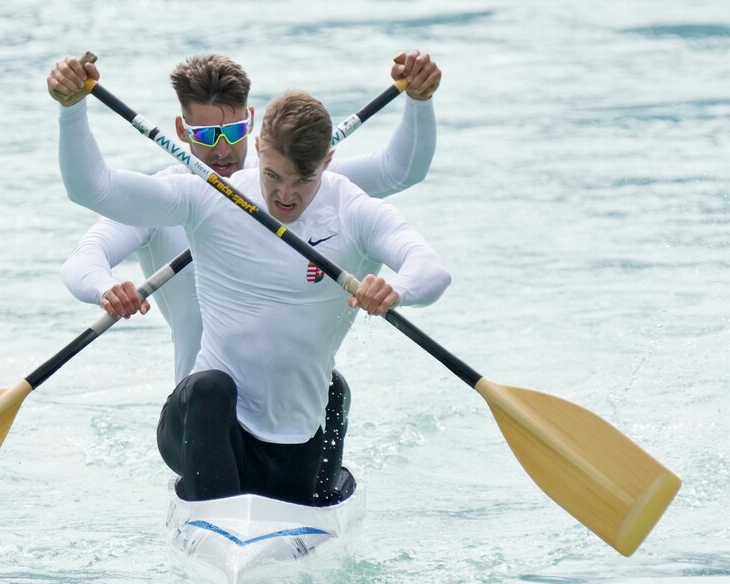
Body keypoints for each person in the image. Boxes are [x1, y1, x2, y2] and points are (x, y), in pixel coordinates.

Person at [51, 56, 451, 504]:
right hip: (205, 417)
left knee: (333, 389)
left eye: (233, 132)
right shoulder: (193, 196)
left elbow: (402, 174)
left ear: (253, 132)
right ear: (182, 133)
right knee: (211, 389)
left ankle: (319, 503)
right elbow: (92, 200)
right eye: (206, 136)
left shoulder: (325, 188)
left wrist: (419, 101)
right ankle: (219, 518)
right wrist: (105, 287)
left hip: (289, 418)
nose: (222, 151)